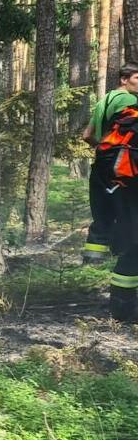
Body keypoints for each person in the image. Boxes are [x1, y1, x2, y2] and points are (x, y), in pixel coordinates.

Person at [88, 66, 138, 321]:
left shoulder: (104, 100)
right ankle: (124, 309)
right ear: (124, 80)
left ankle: (93, 261)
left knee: (116, 226)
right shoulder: (129, 102)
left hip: (109, 175)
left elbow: (88, 135)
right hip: (128, 180)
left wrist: (107, 154)